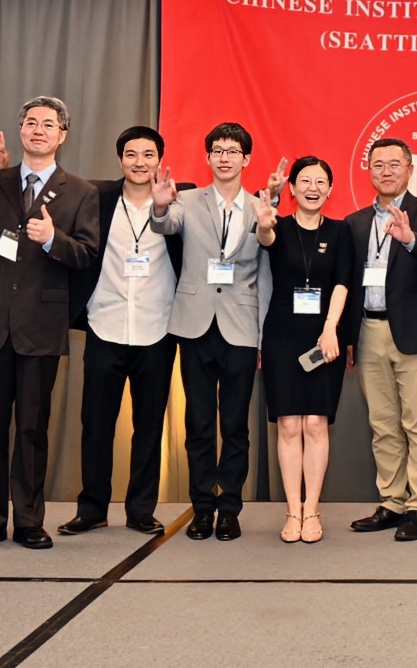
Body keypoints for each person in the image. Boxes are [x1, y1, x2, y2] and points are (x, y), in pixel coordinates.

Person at [0, 96, 100, 550]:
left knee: (31, 429)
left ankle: (28, 520)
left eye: (48, 124)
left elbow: (87, 255)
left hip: (41, 327)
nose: (38, 129)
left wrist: (52, 240)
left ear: (62, 135)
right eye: (31, 122)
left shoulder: (81, 191)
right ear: (21, 129)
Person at [54, 127, 188, 538]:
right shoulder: (96, 197)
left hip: (158, 328)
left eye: (148, 155)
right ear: (120, 160)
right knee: (95, 424)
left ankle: (141, 510)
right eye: (131, 154)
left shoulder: (178, 201)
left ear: (160, 160)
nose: (139, 162)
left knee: (149, 426)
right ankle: (92, 508)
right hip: (105, 324)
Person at [150, 123, 267, 542]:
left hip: (241, 327)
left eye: (232, 150)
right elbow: (165, 226)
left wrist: (262, 336)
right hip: (195, 324)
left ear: (246, 158)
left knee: (235, 425)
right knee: (198, 422)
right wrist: (159, 207)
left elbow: (265, 275)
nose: (224, 157)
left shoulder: (260, 208)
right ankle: (202, 508)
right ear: (208, 157)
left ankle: (229, 508)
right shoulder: (186, 200)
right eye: (217, 150)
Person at [344, 138, 417, 543]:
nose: (386, 171)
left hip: (415, 333)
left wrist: (409, 238)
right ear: (369, 171)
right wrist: (348, 335)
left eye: (394, 164)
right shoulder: (355, 222)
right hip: (368, 331)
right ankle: (392, 501)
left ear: (410, 168)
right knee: (383, 425)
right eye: (378, 165)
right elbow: (348, 281)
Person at [253, 156, 353, 545]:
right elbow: (265, 239)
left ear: (330, 189)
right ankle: (292, 510)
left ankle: (312, 509)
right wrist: (265, 222)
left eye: (320, 181)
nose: (313, 188)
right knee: (289, 425)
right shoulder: (278, 226)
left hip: (324, 335)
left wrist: (331, 329)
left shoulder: (341, 231)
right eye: (305, 181)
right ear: (292, 188)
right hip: (282, 334)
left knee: (315, 423)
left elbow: (342, 283)